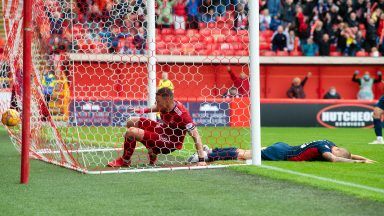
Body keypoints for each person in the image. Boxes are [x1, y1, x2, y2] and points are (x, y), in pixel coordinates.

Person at [108, 87, 207, 167]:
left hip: (169, 143)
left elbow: (196, 135)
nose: (156, 103)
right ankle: (152, 148)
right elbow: (157, 107)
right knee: (131, 121)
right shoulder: (164, 105)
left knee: (131, 132)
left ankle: (125, 161)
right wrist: (142, 110)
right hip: (162, 131)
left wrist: (201, 160)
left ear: (167, 100)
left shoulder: (182, 114)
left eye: (158, 101)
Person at [188, 140, 375, 163]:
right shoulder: (324, 150)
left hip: (282, 146)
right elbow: (335, 159)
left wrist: (363, 158)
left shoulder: (327, 142)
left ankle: (212, 150)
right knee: (243, 155)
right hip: (281, 154)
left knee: (246, 151)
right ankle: (206, 156)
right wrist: (358, 162)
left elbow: (344, 153)